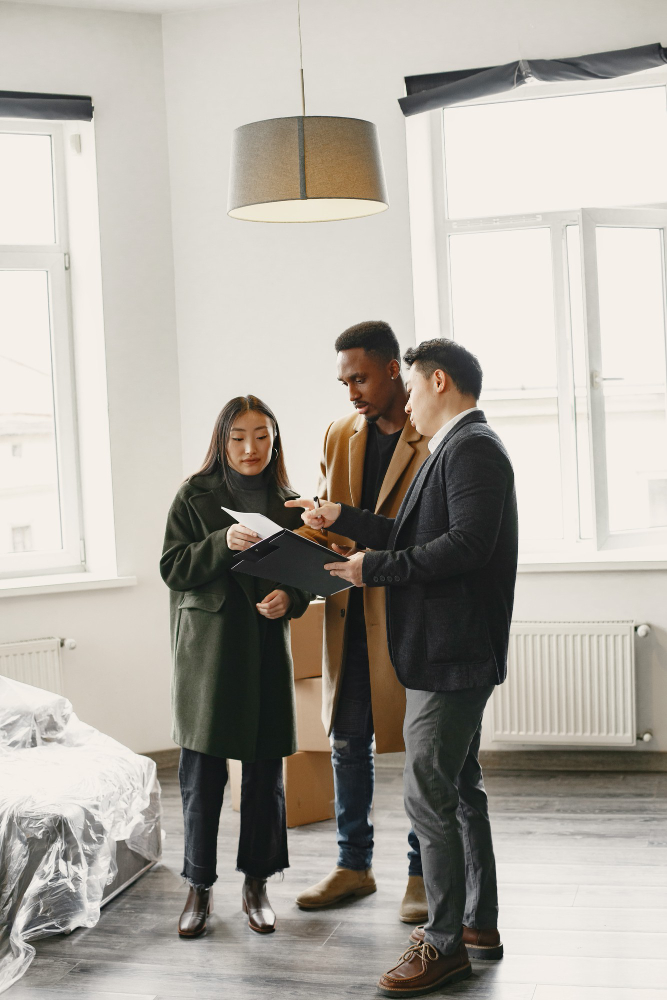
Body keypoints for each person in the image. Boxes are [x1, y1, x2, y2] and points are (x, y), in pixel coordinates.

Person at [289, 339, 518, 996]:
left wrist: (373, 570)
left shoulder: (471, 446)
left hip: (452, 656)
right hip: (446, 652)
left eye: (412, 388)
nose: (407, 402)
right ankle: (476, 924)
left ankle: (442, 943)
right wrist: (343, 519)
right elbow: (415, 532)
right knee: (459, 789)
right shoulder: (455, 446)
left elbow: (466, 547)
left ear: (437, 381)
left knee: (427, 793)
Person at [293, 321, 431, 923]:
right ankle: (354, 866)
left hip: (409, 616)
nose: (352, 391)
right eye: (344, 379)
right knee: (349, 742)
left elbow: (423, 535)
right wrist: (290, 541)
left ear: (394, 368)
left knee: (422, 751)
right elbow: (331, 523)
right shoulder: (339, 432)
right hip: (348, 614)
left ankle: (423, 872)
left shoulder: (433, 436)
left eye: (361, 377)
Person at [160, 395, 313, 939]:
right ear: (222, 440)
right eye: (239, 437)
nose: (251, 449)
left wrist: (289, 601)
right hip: (208, 654)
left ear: (276, 441)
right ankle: (198, 887)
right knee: (201, 776)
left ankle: (257, 884)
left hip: (266, 652)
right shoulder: (194, 496)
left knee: (266, 775)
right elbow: (173, 568)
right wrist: (221, 542)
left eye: (262, 437)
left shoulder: (293, 503)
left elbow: (305, 578)